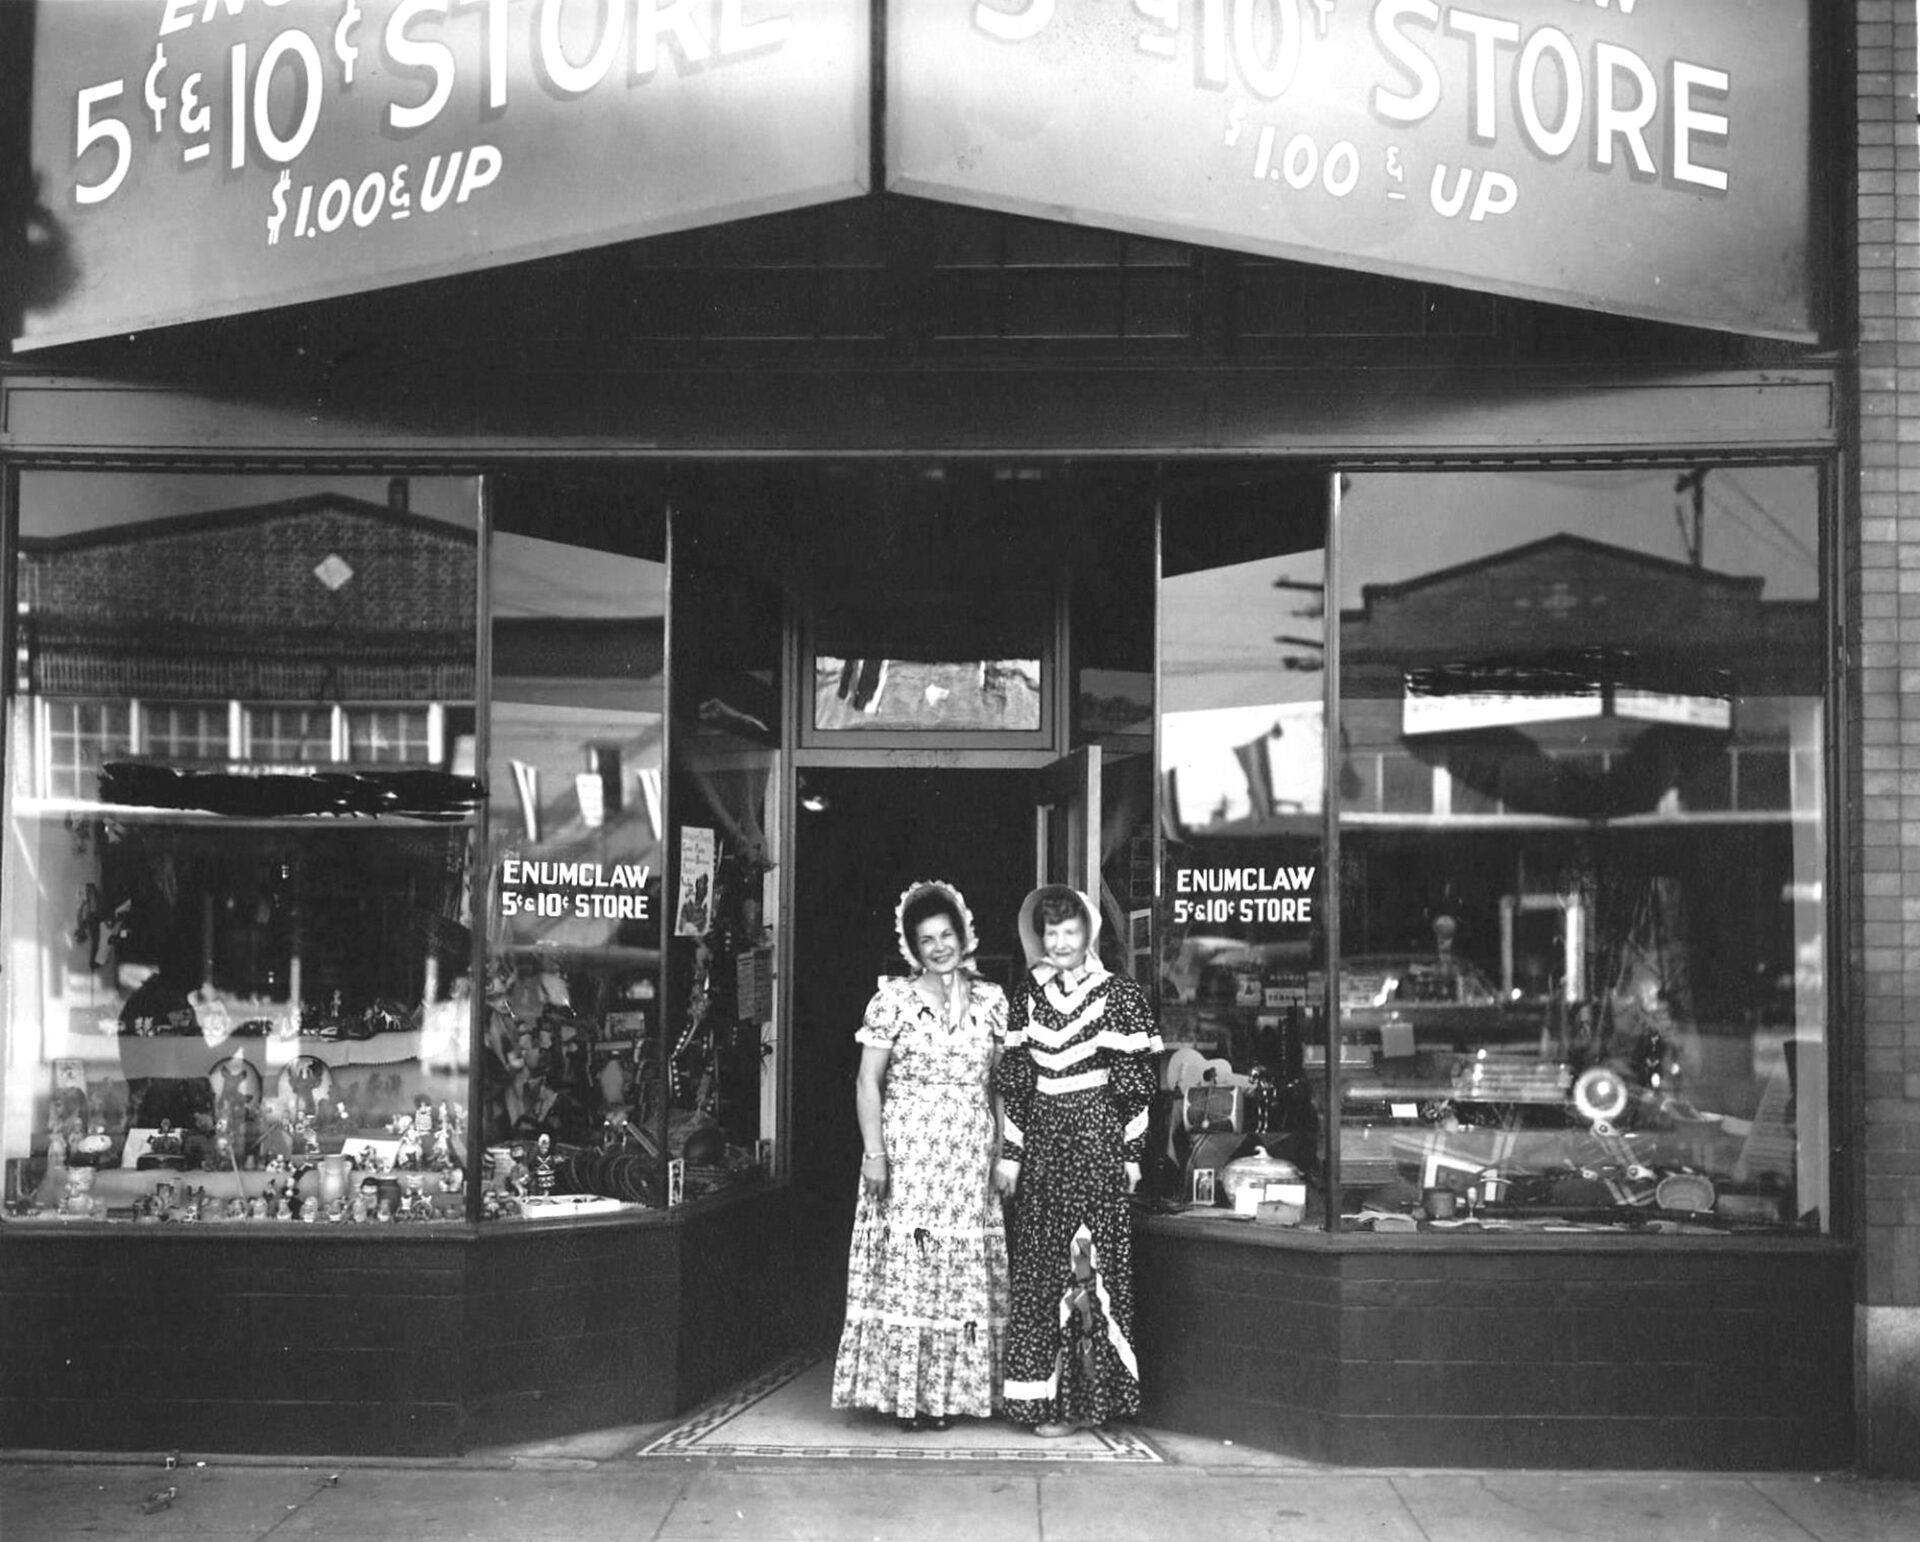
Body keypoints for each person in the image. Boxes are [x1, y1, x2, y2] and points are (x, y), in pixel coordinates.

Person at [831, 880, 1010, 1433]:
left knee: (959, 1277)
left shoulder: (993, 1000)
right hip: (909, 1158)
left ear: (964, 935)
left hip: (968, 1161)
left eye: (947, 934)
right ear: (912, 946)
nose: (939, 947)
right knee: (916, 1269)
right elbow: (868, 1082)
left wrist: (1006, 1151)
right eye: (927, 938)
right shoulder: (893, 1001)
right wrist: (874, 1154)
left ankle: (953, 1396)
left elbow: (1002, 1084)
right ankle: (911, 1397)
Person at [994, 884, 1162, 1437]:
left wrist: (1132, 1152)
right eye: (1051, 932)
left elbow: (1136, 1084)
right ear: (1038, 937)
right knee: (1044, 1267)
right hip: (1044, 1141)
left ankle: (1083, 1403)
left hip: (1095, 1137)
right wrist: (1013, 1154)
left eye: (1070, 931)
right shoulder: (1027, 997)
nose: (1060, 942)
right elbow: (1017, 1085)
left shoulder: (1119, 994)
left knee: (1085, 1263)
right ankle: (1043, 1398)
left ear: (1088, 933)